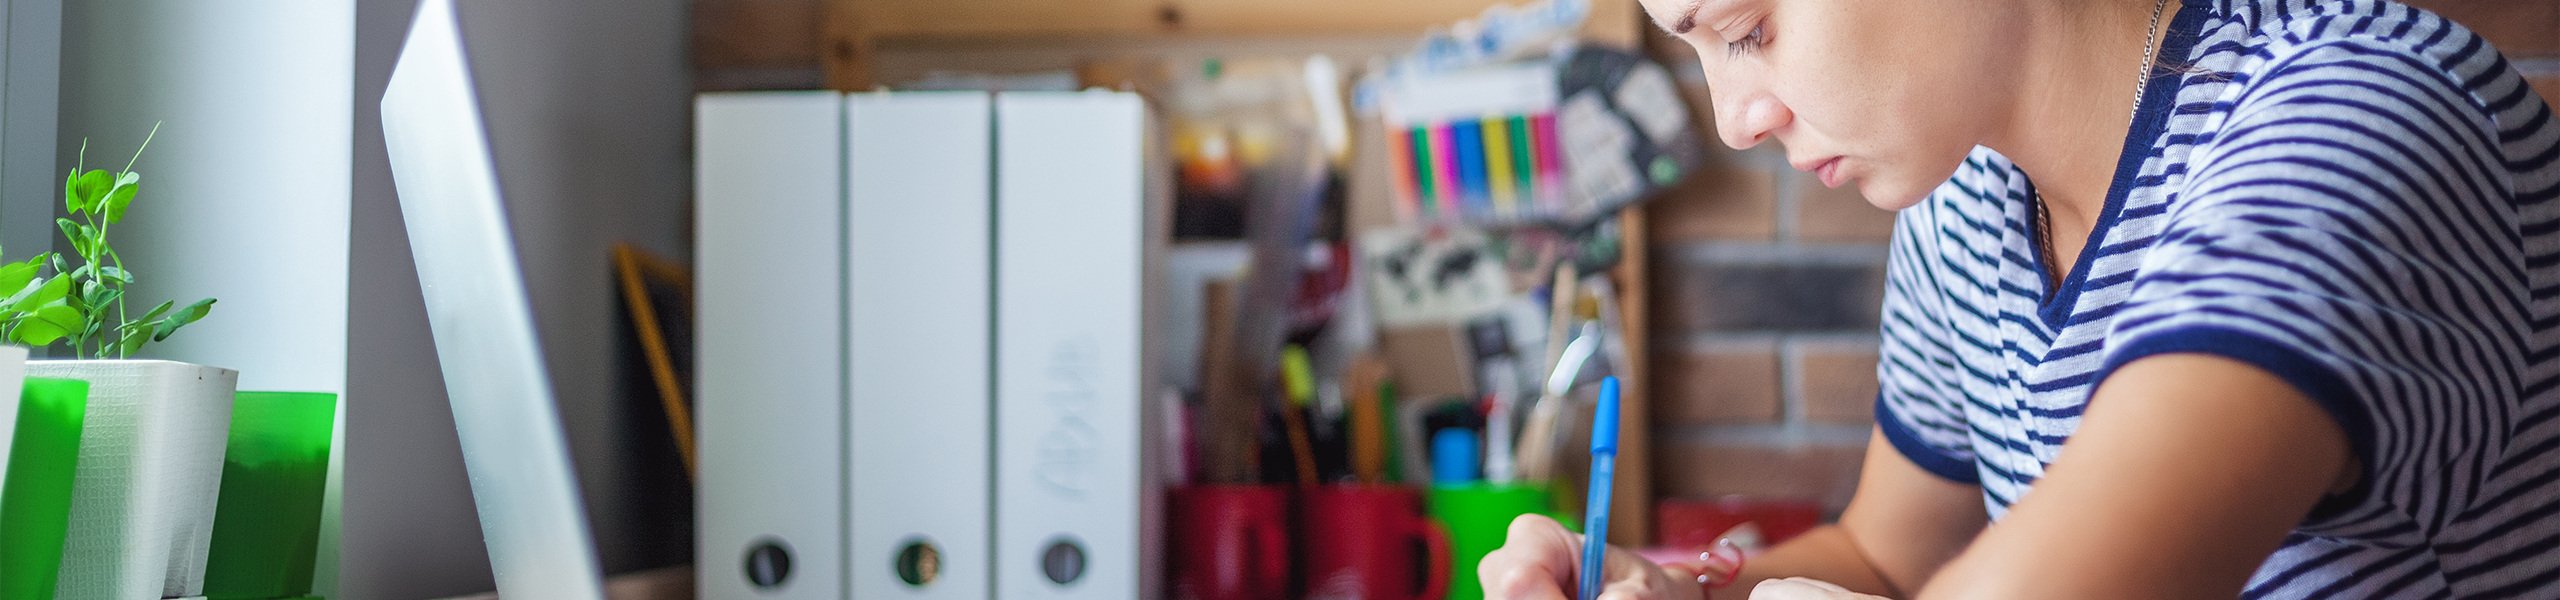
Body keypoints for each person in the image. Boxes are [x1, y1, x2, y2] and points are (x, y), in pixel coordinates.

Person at [1480, 0, 2560, 597]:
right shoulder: (1963, 207)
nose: (1733, 120)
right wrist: (1682, 597)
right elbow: (1889, 558)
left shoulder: (2351, 122)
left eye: (1748, 29)